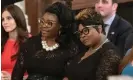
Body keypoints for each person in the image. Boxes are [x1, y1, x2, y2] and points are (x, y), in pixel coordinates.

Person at [12, 2, 78, 80]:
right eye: (42, 21)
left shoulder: (71, 49)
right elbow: (16, 76)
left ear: (61, 26)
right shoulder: (29, 44)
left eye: (49, 23)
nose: (43, 26)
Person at [65, 8, 121, 80]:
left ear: (99, 28)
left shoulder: (110, 53)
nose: (82, 35)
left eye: (85, 30)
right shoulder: (84, 50)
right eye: (80, 33)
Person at [1, 4, 29, 80]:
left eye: (9, 18)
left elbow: (39, 73)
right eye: (2, 19)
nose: (4, 22)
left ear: (18, 19)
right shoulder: (2, 42)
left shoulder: (31, 41)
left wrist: (15, 78)